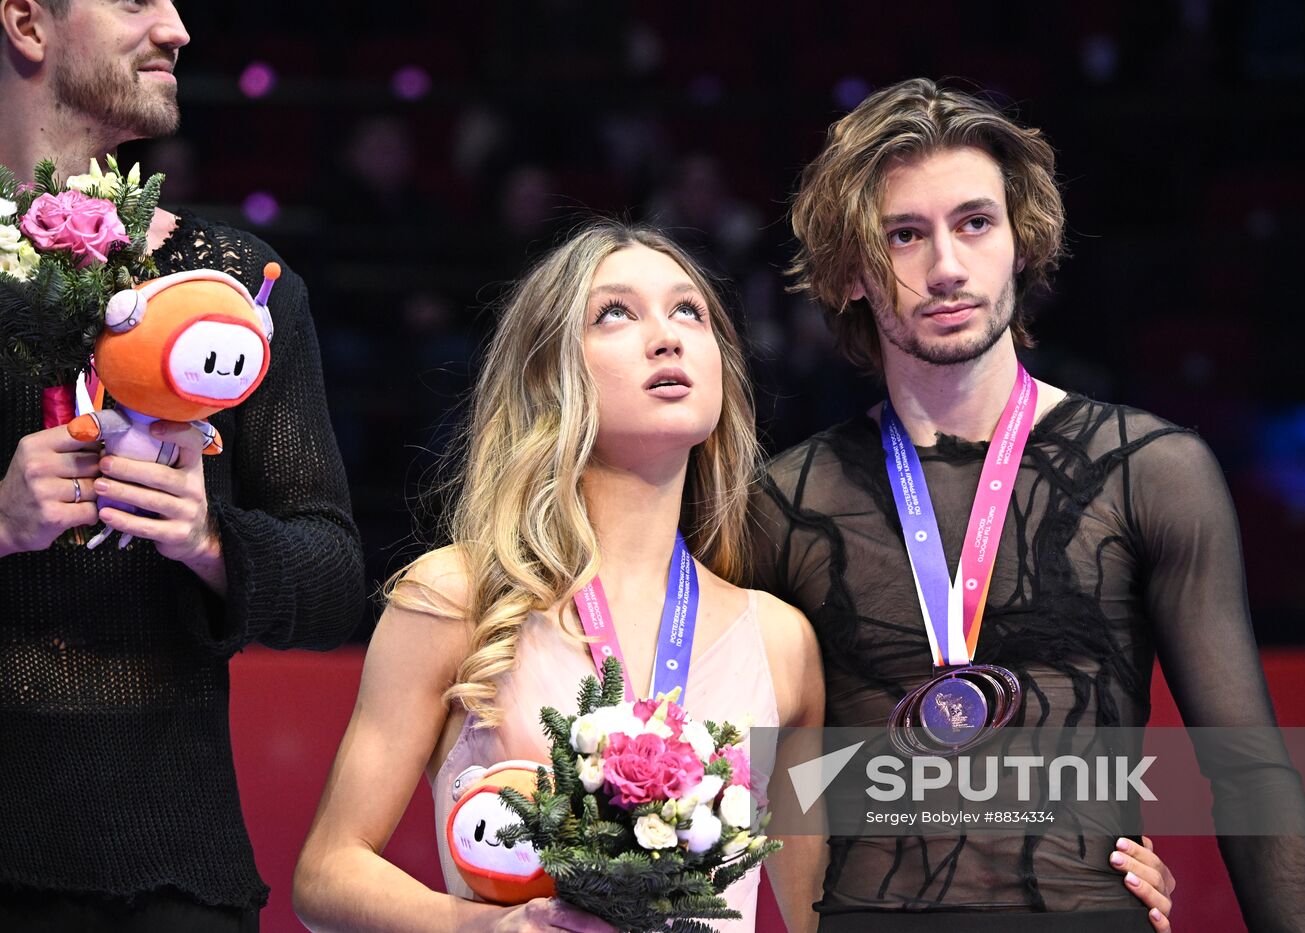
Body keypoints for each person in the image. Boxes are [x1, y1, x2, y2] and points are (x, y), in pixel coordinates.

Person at [751, 77, 1305, 931]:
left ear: (1023, 241)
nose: (945, 266)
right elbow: (712, 761)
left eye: (975, 223)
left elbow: (1247, 769)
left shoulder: (1151, 470)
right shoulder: (785, 501)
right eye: (904, 235)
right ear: (849, 276)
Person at [292, 222, 828, 932]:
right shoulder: (457, 595)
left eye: (688, 311)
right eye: (615, 312)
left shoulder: (784, 640)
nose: (666, 337)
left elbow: (824, 909)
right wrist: (487, 927)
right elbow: (326, 873)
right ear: (548, 372)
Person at [0, 1, 364, 930]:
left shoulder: (232, 280)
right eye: (133, 0)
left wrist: (209, 539)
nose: (176, 28)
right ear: (26, 23)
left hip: (171, 865)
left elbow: (332, 581)